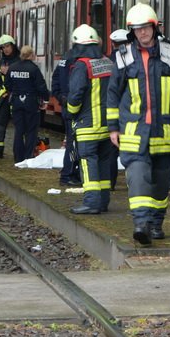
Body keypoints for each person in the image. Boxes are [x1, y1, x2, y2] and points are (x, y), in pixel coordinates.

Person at [107, 3, 170, 245]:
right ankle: (141, 224)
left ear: (154, 28)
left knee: (160, 182)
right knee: (138, 176)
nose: (142, 33)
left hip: (164, 132)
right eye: (137, 29)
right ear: (132, 32)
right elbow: (113, 95)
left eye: (146, 28)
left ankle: (156, 223)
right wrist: (113, 127)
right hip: (134, 133)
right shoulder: (123, 57)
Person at [66, 25, 115, 215]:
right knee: (103, 162)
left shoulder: (81, 65)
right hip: (107, 125)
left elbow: (75, 95)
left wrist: (71, 112)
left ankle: (91, 202)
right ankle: (103, 201)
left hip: (87, 125)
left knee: (87, 163)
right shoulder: (107, 63)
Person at [5, 44, 50, 163]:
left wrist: (15, 91)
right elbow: (41, 86)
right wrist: (45, 100)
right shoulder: (34, 69)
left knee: (19, 130)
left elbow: (7, 84)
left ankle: (18, 157)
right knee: (31, 130)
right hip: (31, 102)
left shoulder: (13, 67)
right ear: (31, 55)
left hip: (16, 102)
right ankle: (28, 156)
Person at [50, 50, 81, 187]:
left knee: (72, 142)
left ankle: (71, 173)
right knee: (73, 144)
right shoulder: (77, 60)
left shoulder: (65, 57)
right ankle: (68, 174)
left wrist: (60, 97)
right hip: (76, 109)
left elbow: (55, 80)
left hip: (66, 106)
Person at [107, 29, 130, 191]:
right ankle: (133, 182)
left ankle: (110, 183)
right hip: (131, 113)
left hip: (113, 112)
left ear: (113, 44)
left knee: (111, 153)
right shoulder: (133, 59)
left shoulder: (107, 60)